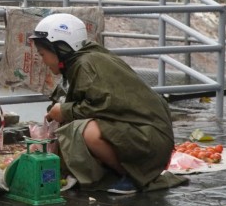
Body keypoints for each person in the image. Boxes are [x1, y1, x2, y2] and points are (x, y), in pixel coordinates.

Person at [32, 13, 175, 194]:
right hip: (145, 134)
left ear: (60, 47)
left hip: (151, 140)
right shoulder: (83, 60)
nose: (43, 61)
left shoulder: (86, 64)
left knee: (87, 131)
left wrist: (64, 110)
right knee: (75, 127)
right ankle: (118, 171)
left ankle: (134, 177)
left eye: (43, 54)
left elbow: (102, 105)